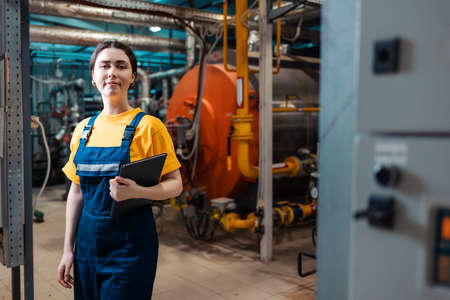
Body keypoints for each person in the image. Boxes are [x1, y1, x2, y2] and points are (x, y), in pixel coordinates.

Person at [57, 40, 182, 299]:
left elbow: (175, 184)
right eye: (104, 66)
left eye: (121, 66)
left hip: (131, 247)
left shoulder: (149, 127)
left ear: (132, 77)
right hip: (87, 247)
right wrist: (68, 249)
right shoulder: (83, 130)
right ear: (93, 76)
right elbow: (76, 194)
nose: (112, 72)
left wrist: (139, 192)